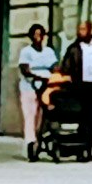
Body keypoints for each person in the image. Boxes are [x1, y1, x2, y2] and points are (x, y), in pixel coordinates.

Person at [12, 24, 58, 152]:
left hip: (46, 87)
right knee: (30, 115)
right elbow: (24, 69)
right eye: (35, 34)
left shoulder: (49, 51)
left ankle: (41, 137)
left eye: (41, 34)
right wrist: (37, 77)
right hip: (30, 86)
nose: (38, 37)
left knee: (43, 116)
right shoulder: (26, 52)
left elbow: (54, 67)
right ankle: (31, 142)